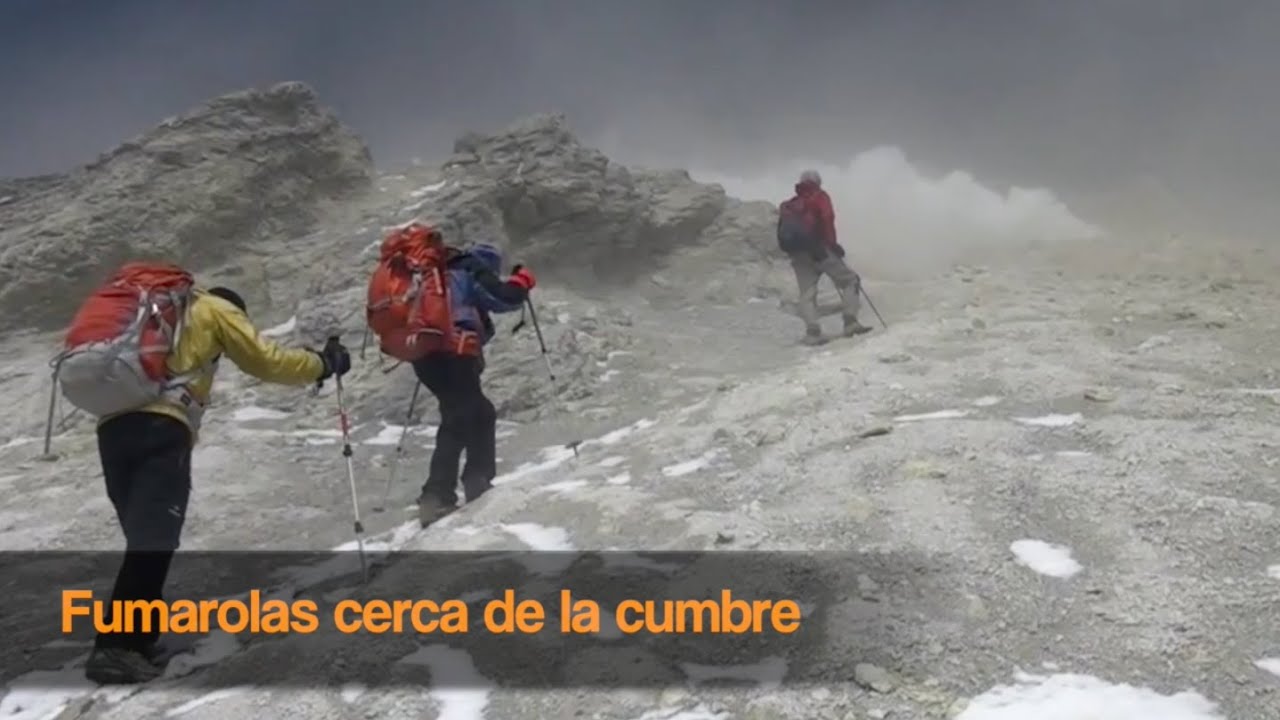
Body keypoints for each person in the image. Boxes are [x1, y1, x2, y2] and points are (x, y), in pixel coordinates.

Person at [83, 285, 352, 684]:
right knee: (153, 540)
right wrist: (323, 364)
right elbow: (266, 359)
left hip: (112, 428)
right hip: (161, 424)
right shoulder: (214, 308)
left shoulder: (157, 316)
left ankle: (136, 640)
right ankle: (116, 648)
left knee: (144, 539)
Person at [413, 244, 534, 528]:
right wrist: (523, 280)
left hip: (424, 356)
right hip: (455, 351)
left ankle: (455, 488)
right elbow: (504, 297)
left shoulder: (436, 279)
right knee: (470, 414)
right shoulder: (469, 269)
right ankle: (452, 490)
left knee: (464, 414)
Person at [781, 169, 872, 345]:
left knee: (807, 294)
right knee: (850, 280)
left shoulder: (790, 205)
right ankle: (850, 322)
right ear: (818, 182)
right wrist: (833, 245)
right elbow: (827, 219)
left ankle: (813, 333)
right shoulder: (820, 197)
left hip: (798, 255)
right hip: (820, 251)